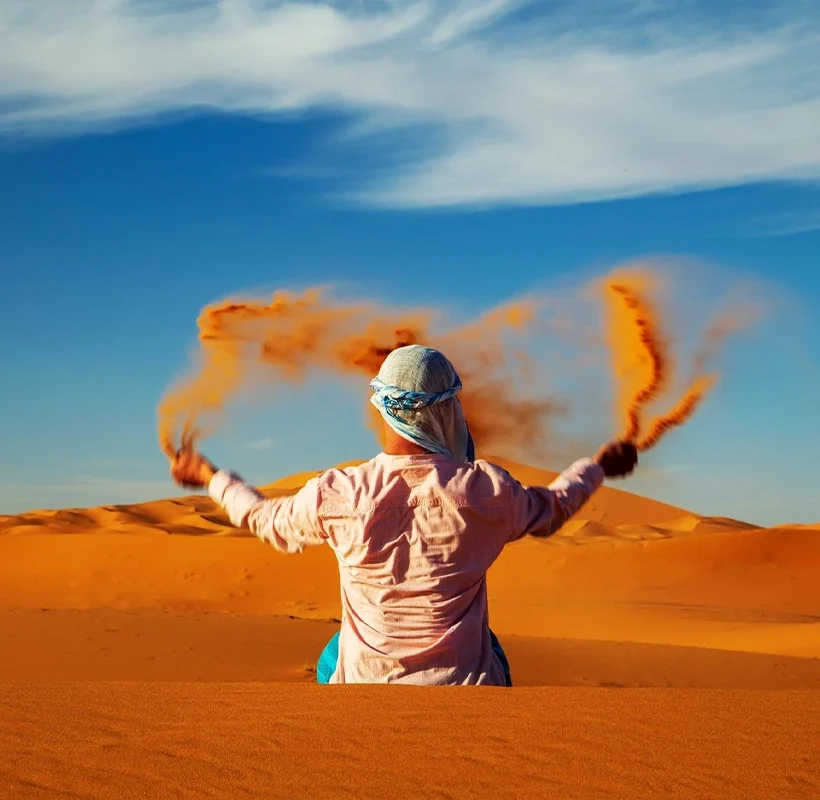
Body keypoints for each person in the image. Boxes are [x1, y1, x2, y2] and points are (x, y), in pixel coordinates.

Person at [170, 344, 637, 685]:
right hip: (466, 690)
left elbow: (264, 519)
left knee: (334, 653)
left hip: (364, 687)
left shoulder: (339, 494)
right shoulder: (484, 490)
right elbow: (552, 509)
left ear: (384, 410)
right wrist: (596, 467)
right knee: (491, 647)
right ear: (448, 410)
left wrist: (210, 476)